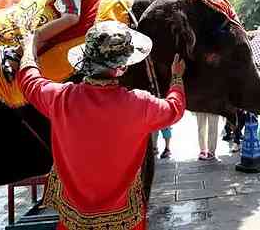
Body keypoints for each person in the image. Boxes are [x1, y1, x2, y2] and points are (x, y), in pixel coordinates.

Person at [16, 21, 186, 230]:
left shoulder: (60, 98)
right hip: (125, 219)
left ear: (86, 59)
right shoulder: (140, 105)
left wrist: (29, 46)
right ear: (122, 66)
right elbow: (174, 109)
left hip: (74, 220)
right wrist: (176, 78)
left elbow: (28, 80)